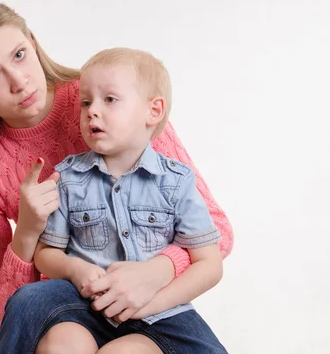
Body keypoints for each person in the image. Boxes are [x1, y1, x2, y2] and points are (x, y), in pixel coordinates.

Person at [0, 0, 234, 353]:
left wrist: (158, 271)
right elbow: (6, 318)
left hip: (153, 307)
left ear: (33, 40)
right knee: (61, 340)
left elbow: (216, 231)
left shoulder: (109, 95)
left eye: (19, 54)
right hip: (68, 303)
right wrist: (26, 234)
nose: (20, 81)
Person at [31, 47, 227, 353]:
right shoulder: (68, 178)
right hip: (85, 311)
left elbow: (209, 264)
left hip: (160, 315)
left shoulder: (175, 181)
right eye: (86, 102)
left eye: (109, 99)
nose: (92, 111)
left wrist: (152, 304)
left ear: (153, 111)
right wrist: (74, 269)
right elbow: (45, 254)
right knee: (59, 345)